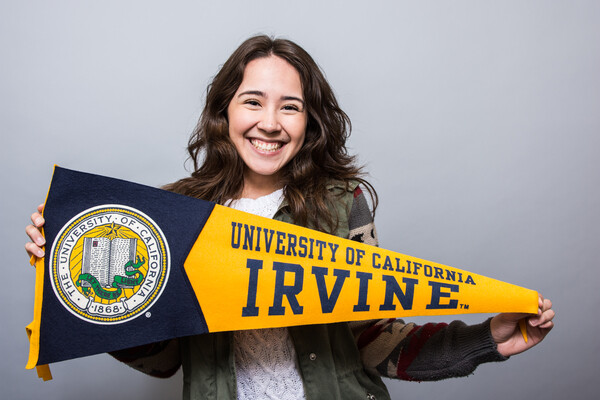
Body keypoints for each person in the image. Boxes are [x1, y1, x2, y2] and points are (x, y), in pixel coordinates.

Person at [25, 35, 554, 400]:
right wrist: (73, 283)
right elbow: (164, 360)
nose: (270, 124)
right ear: (224, 111)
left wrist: (488, 339)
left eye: (291, 107)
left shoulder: (342, 204)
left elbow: (373, 340)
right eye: (253, 101)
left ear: (310, 122)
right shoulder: (173, 215)